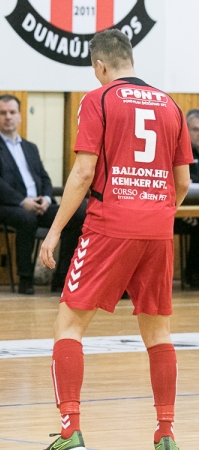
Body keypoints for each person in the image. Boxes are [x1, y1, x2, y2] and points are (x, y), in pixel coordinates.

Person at [39, 29, 191, 450]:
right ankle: (165, 433)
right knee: (158, 333)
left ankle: (71, 430)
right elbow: (182, 182)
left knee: (68, 323)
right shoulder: (171, 105)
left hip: (110, 226)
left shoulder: (98, 98)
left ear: (99, 65)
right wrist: (155, 210)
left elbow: (84, 173)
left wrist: (54, 232)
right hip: (158, 229)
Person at [0, 94, 85, 294]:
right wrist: (22, 201)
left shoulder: (30, 148)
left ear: (20, 116)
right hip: (4, 207)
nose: (8, 117)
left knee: (75, 215)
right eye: (3, 113)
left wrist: (46, 198)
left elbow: (44, 177)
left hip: (38, 205)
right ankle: (25, 279)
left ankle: (61, 278)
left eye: (12, 112)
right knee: (26, 218)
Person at [174, 108, 199, 287]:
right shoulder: (179, 149)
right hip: (177, 208)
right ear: (186, 130)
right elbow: (182, 182)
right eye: (195, 130)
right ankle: (192, 274)